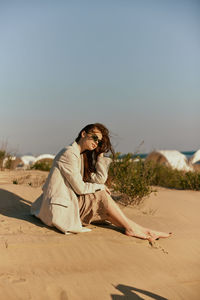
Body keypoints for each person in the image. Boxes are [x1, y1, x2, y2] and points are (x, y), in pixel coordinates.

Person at [31, 123, 171, 241]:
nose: (96, 142)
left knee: (105, 205)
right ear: (83, 134)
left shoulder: (80, 156)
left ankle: (141, 229)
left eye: (99, 141)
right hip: (58, 209)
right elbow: (80, 188)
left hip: (69, 203)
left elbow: (99, 179)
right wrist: (100, 187)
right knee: (102, 195)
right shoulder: (69, 153)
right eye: (94, 138)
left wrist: (99, 156)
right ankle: (132, 228)